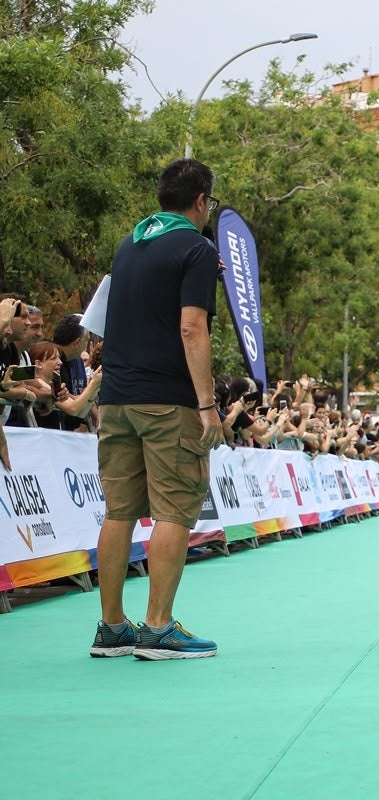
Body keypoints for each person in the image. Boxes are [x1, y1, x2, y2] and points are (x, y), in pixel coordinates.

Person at [91, 158, 223, 660]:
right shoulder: (195, 246)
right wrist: (207, 405)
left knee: (119, 511)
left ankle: (111, 627)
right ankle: (159, 627)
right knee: (175, 509)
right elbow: (192, 327)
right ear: (201, 202)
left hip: (117, 399)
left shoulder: (130, 244)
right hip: (168, 401)